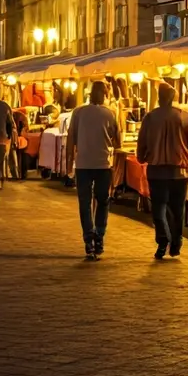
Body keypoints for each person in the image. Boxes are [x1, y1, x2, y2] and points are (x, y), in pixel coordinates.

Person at [137, 83, 188, 260]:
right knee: (177, 210)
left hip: (157, 171)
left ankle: (163, 239)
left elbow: (142, 144)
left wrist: (142, 157)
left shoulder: (150, 118)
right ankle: (176, 244)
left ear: (159, 97)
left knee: (159, 209)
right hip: (180, 172)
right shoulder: (184, 117)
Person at [66, 80, 122, 260]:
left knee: (85, 202)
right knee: (103, 201)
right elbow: (118, 141)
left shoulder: (78, 112)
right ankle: (99, 235)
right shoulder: (110, 113)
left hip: (82, 164)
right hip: (103, 164)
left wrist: (68, 163)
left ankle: (88, 238)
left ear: (90, 94)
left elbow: (71, 139)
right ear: (105, 94)